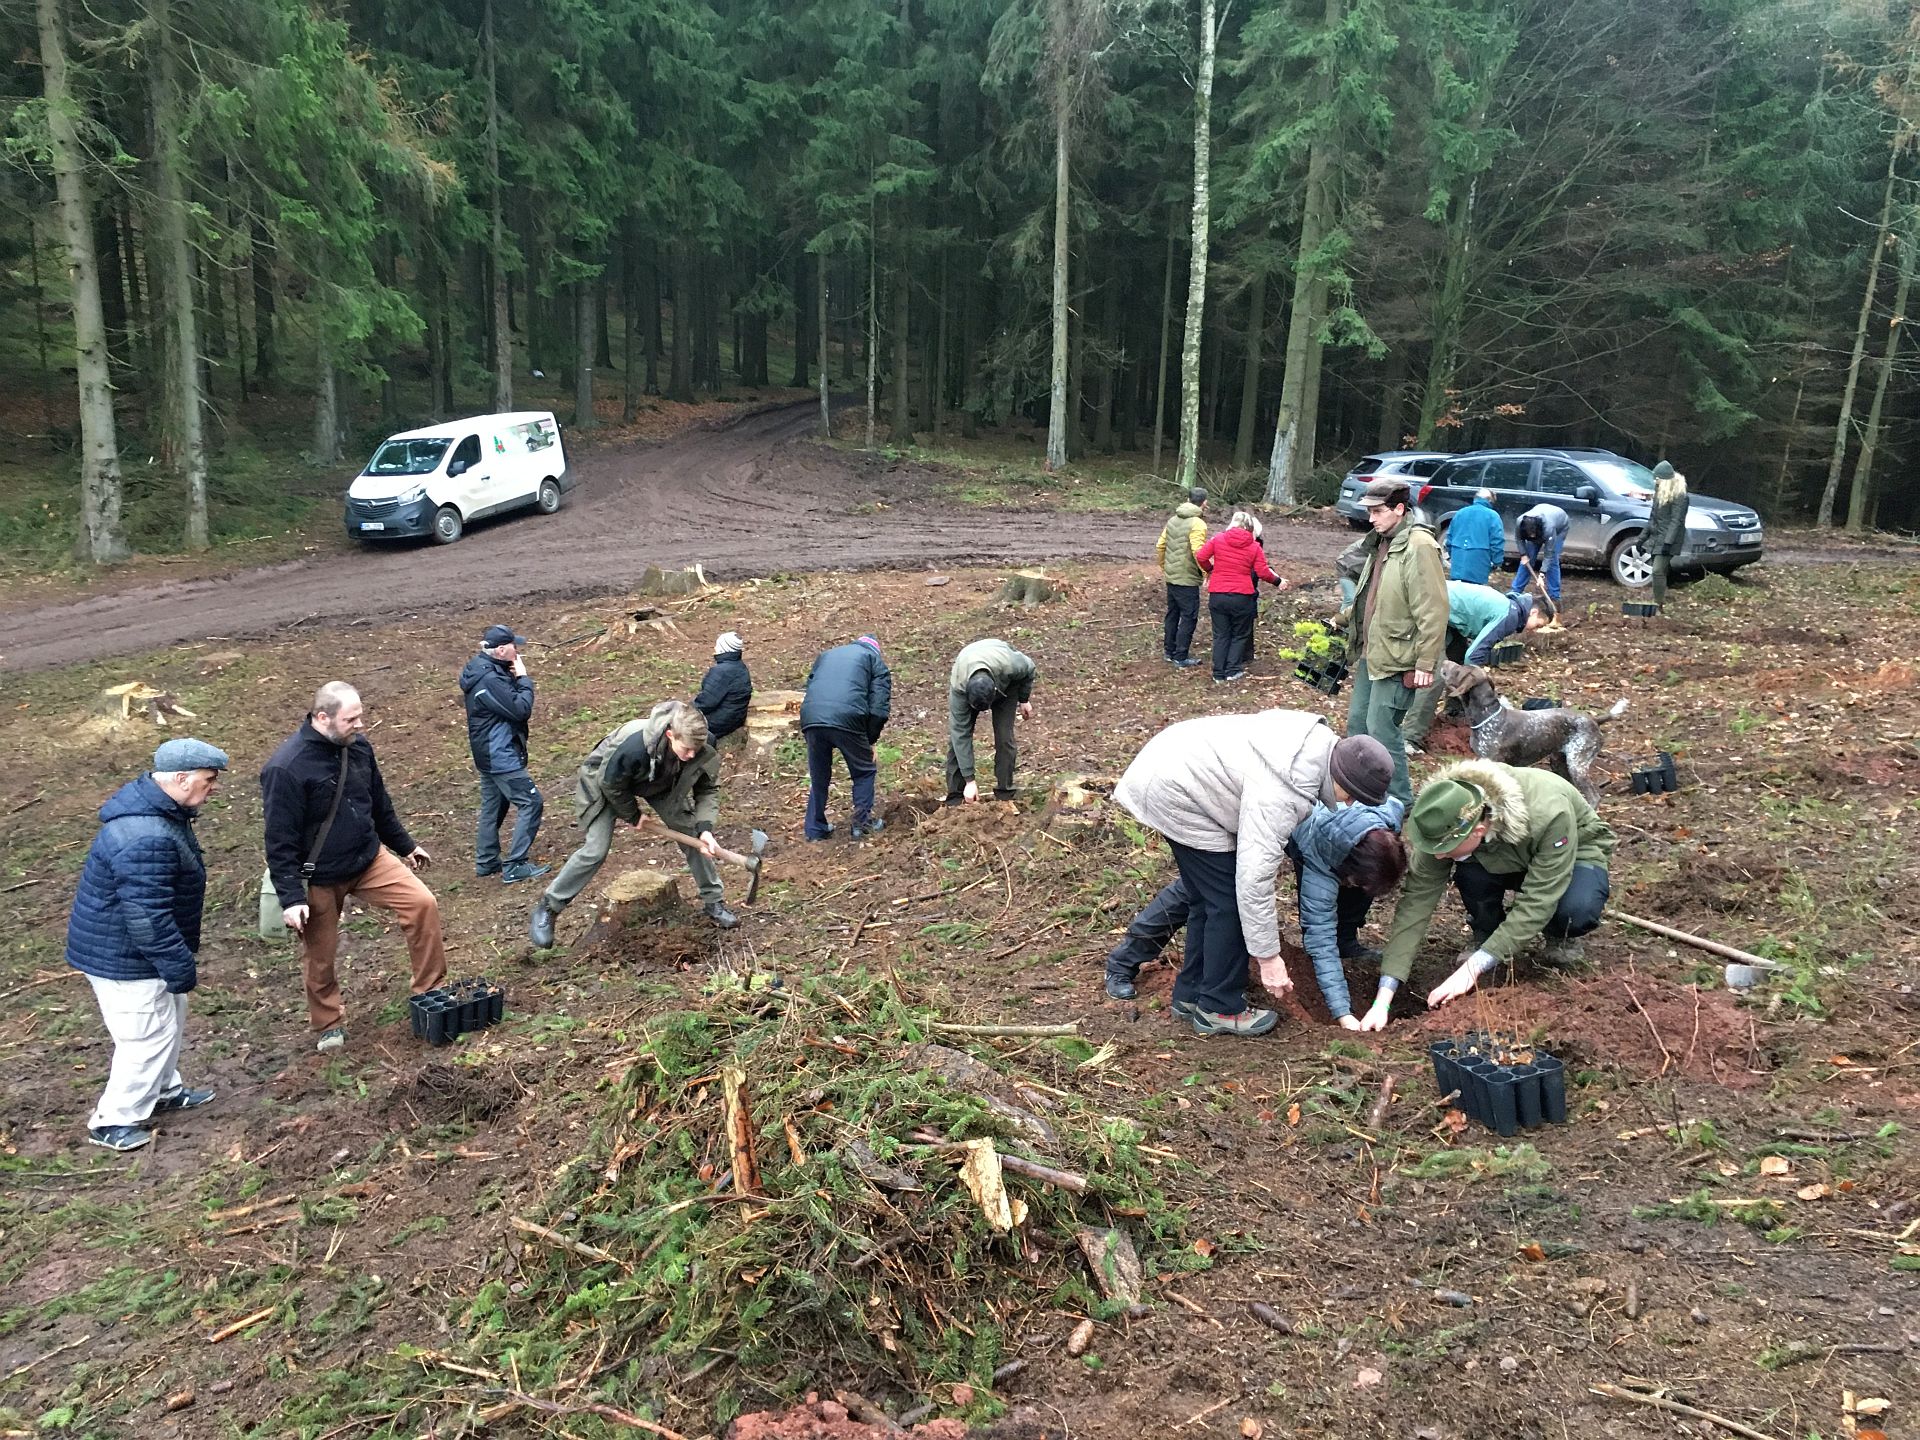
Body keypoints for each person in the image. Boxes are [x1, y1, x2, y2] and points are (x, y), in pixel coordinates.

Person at [1111, 712, 1394, 1036]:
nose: (1353, 803)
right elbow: (1253, 882)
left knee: (1208, 897)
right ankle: (1220, 1007)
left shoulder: (1317, 749)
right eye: (1354, 795)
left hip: (1178, 762)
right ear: (1342, 778)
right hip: (1174, 787)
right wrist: (1268, 958)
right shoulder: (1282, 796)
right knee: (1230, 901)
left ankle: (1191, 995)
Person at [1362, 758, 1615, 1029]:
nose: (1438, 857)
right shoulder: (1442, 819)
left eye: (1444, 850)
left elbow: (1540, 897)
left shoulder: (1549, 813)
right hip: (1496, 852)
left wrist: (1471, 970)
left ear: (1478, 830)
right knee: (1470, 873)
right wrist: (1384, 997)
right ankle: (1486, 931)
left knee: (1575, 909)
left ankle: (1558, 935)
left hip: (1571, 852)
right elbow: (1416, 902)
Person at [262, 682, 446, 1053]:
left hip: (368, 858)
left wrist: (406, 846)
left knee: (422, 903)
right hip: (318, 875)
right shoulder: (286, 768)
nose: (360, 725)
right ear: (322, 717)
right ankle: (328, 1024)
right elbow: (279, 841)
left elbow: (378, 803)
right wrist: (292, 898)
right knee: (320, 954)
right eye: (351, 719)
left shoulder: (358, 748)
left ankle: (430, 992)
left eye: (360, 716)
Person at [66, 738, 229, 1151]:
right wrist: (177, 965)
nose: (213, 787)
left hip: (140, 952)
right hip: (125, 958)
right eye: (209, 779)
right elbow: (146, 917)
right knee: (145, 1038)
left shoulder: (162, 813)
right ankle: (113, 1121)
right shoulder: (146, 835)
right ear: (181, 778)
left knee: (168, 1020)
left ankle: (163, 1090)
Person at [530, 701, 734, 947]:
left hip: (660, 781)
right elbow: (611, 784)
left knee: (693, 836)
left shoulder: (702, 744)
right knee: (595, 850)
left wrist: (705, 829)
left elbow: (707, 789)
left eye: (696, 750)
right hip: (605, 782)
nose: (692, 755)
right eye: (687, 749)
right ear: (671, 735)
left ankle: (714, 902)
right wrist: (633, 815)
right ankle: (549, 907)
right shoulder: (633, 745)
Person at [1338, 478, 1447, 804]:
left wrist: (1425, 663)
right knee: (1358, 724)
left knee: (1383, 729)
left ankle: (1399, 801)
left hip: (1400, 657)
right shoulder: (1381, 542)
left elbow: (1433, 608)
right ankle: (1361, 792)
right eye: (1369, 511)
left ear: (1399, 509)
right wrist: (1343, 619)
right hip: (1373, 651)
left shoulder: (1419, 546)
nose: (1370, 518)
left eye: (1377, 511)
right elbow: (1371, 597)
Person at [1287, 792, 1409, 1027]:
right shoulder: (1317, 856)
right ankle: (1322, 963)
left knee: (1365, 885)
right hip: (1306, 831)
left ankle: (1345, 941)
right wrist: (1343, 1013)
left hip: (1350, 848)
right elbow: (1320, 935)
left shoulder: (1390, 812)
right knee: (1321, 920)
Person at [1401, 583, 1551, 747]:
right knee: (1436, 674)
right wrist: (1478, 687)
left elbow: (1471, 653)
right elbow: (1474, 656)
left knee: (1458, 656)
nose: (1534, 630)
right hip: (1430, 605)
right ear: (1533, 612)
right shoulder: (1510, 615)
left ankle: (1454, 712)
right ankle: (1410, 737)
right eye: (1538, 625)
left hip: (1446, 613)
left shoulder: (1512, 609)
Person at [460, 623, 547, 886]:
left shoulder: (484, 670)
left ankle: (486, 861)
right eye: (513, 646)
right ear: (500, 650)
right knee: (531, 802)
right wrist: (523, 679)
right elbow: (520, 710)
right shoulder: (489, 680)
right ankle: (515, 865)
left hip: (487, 753)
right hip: (500, 755)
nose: (517, 650)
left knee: (494, 805)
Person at [798, 636, 892, 841]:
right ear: (876, 650)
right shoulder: (875, 662)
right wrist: (870, 741)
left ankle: (815, 829)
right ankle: (862, 823)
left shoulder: (827, 655)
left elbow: (811, 686)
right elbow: (879, 709)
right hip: (847, 717)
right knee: (864, 770)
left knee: (819, 774)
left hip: (811, 717)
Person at [1196, 510, 1287, 683]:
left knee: (1221, 635)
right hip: (1242, 597)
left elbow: (1201, 556)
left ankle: (1218, 673)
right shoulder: (1254, 546)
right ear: (1250, 528)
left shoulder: (1218, 539)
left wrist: (1211, 570)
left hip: (1218, 594)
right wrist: (1278, 581)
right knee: (1239, 635)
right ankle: (1232, 670)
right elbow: (1262, 572)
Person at [947, 638, 1037, 802]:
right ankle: (956, 796)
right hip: (970, 671)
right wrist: (970, 780)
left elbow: (1029, 668)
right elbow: (960, 733)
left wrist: (1024, 699)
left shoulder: (1011, 664)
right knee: (956, 740)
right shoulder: (959, 686)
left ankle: (1005, 794)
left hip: (1006, 684)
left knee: (1004, 737)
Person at [1157, 486, 1209, 667]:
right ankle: (1181, 656)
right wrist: (1206, 572)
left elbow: (1160, 545)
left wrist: (1165, 567)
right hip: (1187, 578)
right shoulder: (1198, 524)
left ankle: (1169, 651)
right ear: (1204, 503)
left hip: (1172, 576)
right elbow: (1198, 551)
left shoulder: (1172, 520)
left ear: (1188, 500)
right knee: (1189, 616)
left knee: (1172, 614)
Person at [694, 631, 753, 742]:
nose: (715, 648)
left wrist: (687, 709)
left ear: (724, 649)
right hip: (736, 716)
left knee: (680, 725)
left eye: (718, 645)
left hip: (720, 721)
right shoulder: (740, 666)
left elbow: (706, 703)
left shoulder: (721, 672)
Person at [1645, 461, 1689, 606]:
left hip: (1669, 539)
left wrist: (1668, 543)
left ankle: (1658, 603)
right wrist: (1642, 538)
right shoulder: (1659, 493)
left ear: (1665, 480)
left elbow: (1676, 521)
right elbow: (1652, 518)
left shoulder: (1680, 496)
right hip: (1657, 537)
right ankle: (1660, 598)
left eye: (1657, 479)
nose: (1655, 482)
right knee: (1660, 571)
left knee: (1657, 570)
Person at [1511, 503, 1570, 603]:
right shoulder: (1520, 523)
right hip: (1542, 516)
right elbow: (1519, 539)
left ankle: (1554, 596)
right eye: (1530, 535)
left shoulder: (1549, 528)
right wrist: (1523, 554)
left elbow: (1549, 554)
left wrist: (1542, 575)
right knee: (1527, 559)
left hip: (1560, 526)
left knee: (1552, 561)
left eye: (1534, 534)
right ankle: (1515, 591)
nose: (1532, 537)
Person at [1447, 488, 1505, 585]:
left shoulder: (1460, 513)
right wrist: (1497, 562)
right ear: (1490, 501)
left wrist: (1453, 555)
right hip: (1479, 565)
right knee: (1475, 591)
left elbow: (1449, 538)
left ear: (1475, 498)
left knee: (1457, 591)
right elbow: (1497, 541)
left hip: (1458, 563)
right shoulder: (1493, 516)